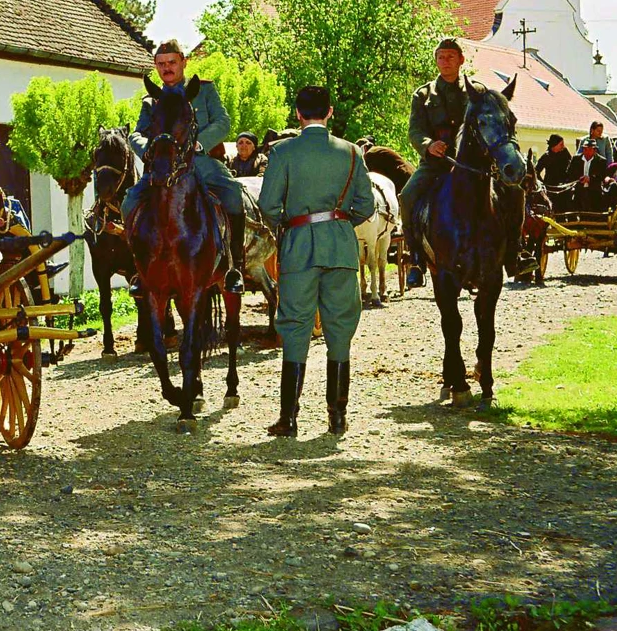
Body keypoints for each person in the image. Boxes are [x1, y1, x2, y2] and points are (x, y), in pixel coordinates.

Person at [257, 86, 374, 438]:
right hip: (340, 247)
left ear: (297, 114)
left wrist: (293, 224)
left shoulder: (282, 152)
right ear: (331, 112)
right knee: (340, 330)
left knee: (295, 326)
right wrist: (337, 225)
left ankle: (288, 420)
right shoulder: (353, 153)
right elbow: (366, 206)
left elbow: (267, 206)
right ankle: (337, 418)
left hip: (297, 248)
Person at [123, 40, 246, 293]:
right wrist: (149, 150)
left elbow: (223, 122)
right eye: (161, 64)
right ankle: (137, 270)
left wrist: (200, 143)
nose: (166, 68)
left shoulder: (204, 90)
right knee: (128, 203)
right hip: (163, 168)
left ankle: (235, 268)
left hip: (203, 163)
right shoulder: (151, 100)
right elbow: (137, 134)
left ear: (183, 62)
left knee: (234, 195)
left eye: (171, 62)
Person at [400, 38, 467, 288]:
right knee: (407, 197)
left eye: (450, 56)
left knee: (511, 189)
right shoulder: (423, 94)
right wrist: (428, 144)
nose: (445, 61)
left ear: (461, 60)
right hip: (434, 164)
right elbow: (414, 131)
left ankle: (516, 251)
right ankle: (416, 258)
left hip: (470, 164)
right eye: (441, 56)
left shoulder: (476, 92)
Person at [565, 138, 608, 213]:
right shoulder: (576, 159)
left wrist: (590, 179)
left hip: (594, 193)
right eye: (585, 149)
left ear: (594, 150)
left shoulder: (601, 161)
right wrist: (579, 178)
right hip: (578, 192)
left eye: (590, 150)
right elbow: (569, 174)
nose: (587, 152)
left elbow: (602, 176)